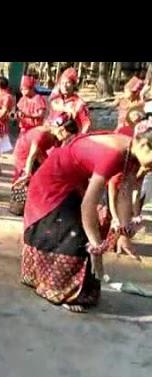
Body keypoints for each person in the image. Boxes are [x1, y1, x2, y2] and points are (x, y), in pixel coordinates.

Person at [21, 125, 152, 313]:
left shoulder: (133, 155)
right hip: (52, 182)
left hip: (74, 183)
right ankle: (58, 290)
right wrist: (96, 247)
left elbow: (124, 192)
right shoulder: (114, 155)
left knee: (85, 233)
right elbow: (88, 205)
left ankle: (79, 290)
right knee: (74, 237)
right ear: (142, 143)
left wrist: (124, 231)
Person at [9, 115, 79, 216]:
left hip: (39, 153)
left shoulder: (56, 137)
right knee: (31, 180)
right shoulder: (41, 134)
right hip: (24, 153)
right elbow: (32, 156)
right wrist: (27, 172)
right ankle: (22, 206)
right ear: (62, 130)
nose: (66, 140)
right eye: (67, 136)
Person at [48, 67, 91, 134]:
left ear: (73, 85)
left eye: (68, 83)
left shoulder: (79, 104)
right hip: (52, 135)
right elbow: (49, 119)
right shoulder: (55, 100)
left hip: (70, 139)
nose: (64, 86)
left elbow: (86, 124)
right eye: (62, 83)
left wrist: (79, 138)